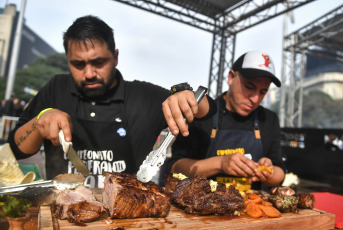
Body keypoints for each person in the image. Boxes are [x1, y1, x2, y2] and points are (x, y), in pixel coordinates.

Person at [7, 15, 214, 188]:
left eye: (98, 62)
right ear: (68, 60)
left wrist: (186, 96)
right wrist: (38, 123)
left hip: (126, 215)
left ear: (115, 57)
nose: (89, 73)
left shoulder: (143, 96)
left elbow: (208, 110)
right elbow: (16, 150)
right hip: (64, 215)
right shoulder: (56, 89)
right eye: (78, 64)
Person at [166, 50, 286, 191]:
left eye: (262, 92)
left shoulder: (268, 119)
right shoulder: (205, 113)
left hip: (251, 205)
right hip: (202, 204)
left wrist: (268, 172)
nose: (255, 99)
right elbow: (175, 167)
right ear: (231, 77)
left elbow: (280, 172)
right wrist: (221, 163)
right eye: (249, 87)